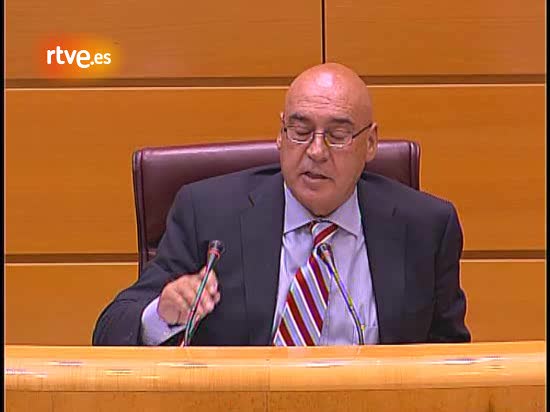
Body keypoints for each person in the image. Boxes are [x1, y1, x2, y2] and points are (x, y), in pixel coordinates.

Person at [93, 63, 470, 346]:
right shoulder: (208, 214)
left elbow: (450, 357)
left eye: (337, 135)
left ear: (370, 143)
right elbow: (111, 330)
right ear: (280, 134)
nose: (316, 151)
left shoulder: (425, 227)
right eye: (300, 131)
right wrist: (162, 314)